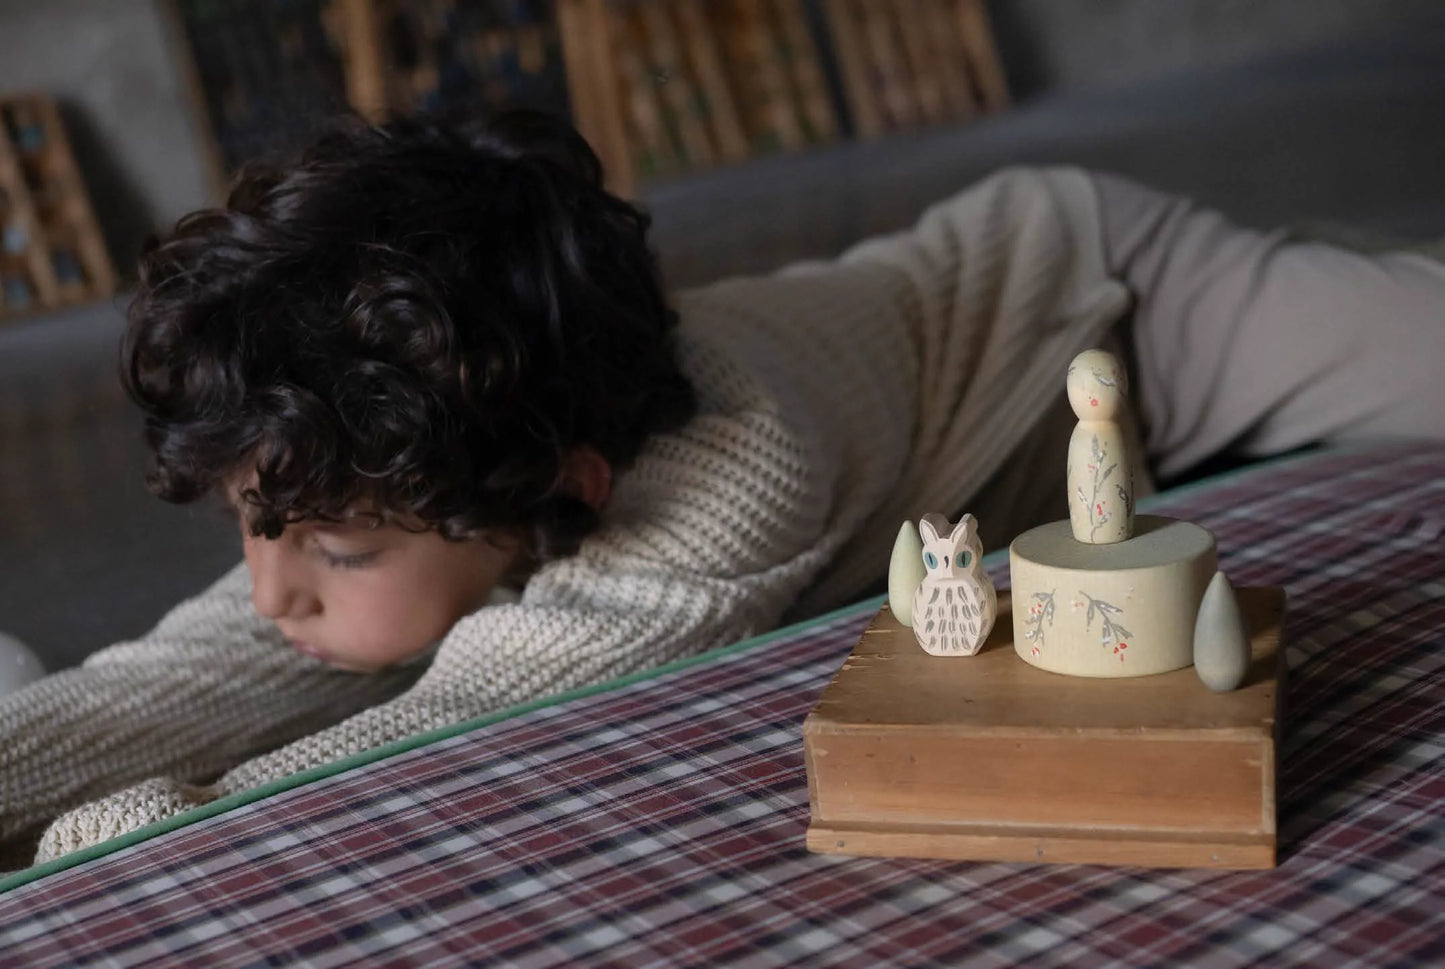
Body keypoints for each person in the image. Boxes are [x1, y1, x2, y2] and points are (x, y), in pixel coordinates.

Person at [2, 110, 1442, 867]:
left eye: (321, 542)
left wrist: (103, 832)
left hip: (1113, 315)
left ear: (562, 484)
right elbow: (191, 667)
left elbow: (438, 723)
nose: (273, 588)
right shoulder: (416, 459)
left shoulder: (730, 476)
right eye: (256, 523)